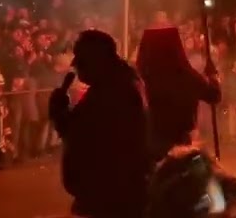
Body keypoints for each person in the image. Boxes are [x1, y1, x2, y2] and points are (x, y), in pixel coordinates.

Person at [50, 29, 151, 218]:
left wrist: (59, 112)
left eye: (80, 58)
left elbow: (80, 134)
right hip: (117, 192)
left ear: (94, 59)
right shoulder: (121, 81)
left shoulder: (111, 92)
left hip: (111, 197)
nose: (76, 65)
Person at [136, 25, 222, 159]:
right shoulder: (185, 75)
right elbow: (214, 95)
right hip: (178, 147)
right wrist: (212, 76)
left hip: (147, 147)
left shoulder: (139, 77)